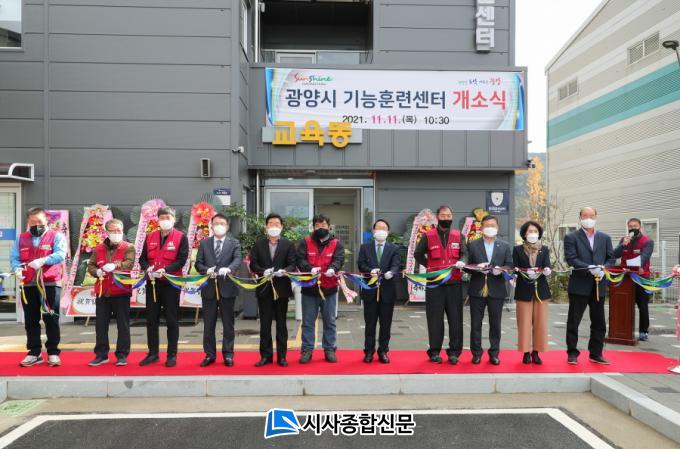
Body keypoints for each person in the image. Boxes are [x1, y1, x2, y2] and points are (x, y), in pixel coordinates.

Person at [11, 207, 67, 367]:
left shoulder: (56, 236)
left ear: (46, 221)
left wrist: (43, 260)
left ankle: (53, 352)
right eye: (33, 222)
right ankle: (34, 352)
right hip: (28, 284)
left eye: (40, 221)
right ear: (28, 222)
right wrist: (17, 269)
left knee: (51, 318)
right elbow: (15, 258)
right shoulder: (21, 238)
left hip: (49, 283)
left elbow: (60, 254)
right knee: (30, 320)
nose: (36, 225)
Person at [414, 205, 468, 364]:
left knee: (456, 319)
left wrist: (462, 261)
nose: (446, 218)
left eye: (449, 215)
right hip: (435, 284)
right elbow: (418, 254)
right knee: (434, 319)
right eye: (443, 215)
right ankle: (434, 351)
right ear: (437, 217)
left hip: (454, 282)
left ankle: (454, 352)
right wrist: (429, 265)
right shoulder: (428, 235)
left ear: (452, 217)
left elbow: (465, 253)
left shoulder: (458, 235)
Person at [138, 207, 189, 367]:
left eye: (168, 217)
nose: (165, 220)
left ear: (174, 219)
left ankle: (172, 354)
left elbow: (182, 260)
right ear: (158, 220)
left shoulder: (181, 237)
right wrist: (147, 268)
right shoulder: (150, 237)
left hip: (171, 284)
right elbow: (142, 259)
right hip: (153, 283)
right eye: (162, 218)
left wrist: (165, 270)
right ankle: (153, 353)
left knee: (172, 320)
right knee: (151, 320)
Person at [564, 207, 615, 365]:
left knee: (599, 322)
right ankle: (572, 353)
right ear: (580, 217)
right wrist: (588, 268)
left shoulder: (605, 238)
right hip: (580, 284)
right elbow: (571, 258)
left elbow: (611, 258)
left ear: (596, 217)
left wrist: (604, 268)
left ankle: (596, 353)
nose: (588, 219)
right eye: (585, 216)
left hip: (599, 285)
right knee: (574, 321)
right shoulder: (571, 237)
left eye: (591, 216)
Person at [248, 213, 296, 367]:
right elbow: (253, 264)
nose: (274, 226)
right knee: (265, 324)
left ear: (281, 227)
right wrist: (263, 271)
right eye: (271, 223)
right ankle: (265, 356)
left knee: (281, 324)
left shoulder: (288, 244)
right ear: (266, 226)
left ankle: (282, 356)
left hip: (282, 289)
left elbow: (293, 264)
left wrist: (284, 271)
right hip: (264, 289)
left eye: (277, 224)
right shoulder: (259, 244)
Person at [86, 219, 136, 367]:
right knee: (101, 325)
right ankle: (101, 354)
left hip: (121, 291)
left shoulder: (128, 247)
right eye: (113, 231)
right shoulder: (99, 248)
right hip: (103, 291)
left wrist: (115, 265)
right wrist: (97, 271)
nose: (116, 233)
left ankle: (122, 354)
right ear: (107, 232)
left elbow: (129, 263)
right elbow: (91, 265)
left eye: (119, 231)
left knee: (123, 325)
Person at [296, 214, 345, 364]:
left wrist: (333, 268)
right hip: (309, 289)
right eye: (317, 225)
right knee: (307, 322)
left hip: (329, 289)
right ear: (313, 227)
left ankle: (329, 349)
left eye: (323, 225)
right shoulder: (305, 242)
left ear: (329, 227)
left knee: (330, 321)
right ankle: (307, 349)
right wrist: (309, 268)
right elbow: (300, 259)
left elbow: (339, 259)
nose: (320, 228)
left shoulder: (336, 244)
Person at [195, 213, 242, 367]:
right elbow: (198, 263)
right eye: (216, 223)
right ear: (211, 225)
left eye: (222, 223)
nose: (219, 226)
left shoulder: (234, 243)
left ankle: (228, 354)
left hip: (227, 287)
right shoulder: (204, 243)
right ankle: (209, 355)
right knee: (208, 324)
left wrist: (229, 269)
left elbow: (237, 260)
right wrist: (206, 270)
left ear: (227, 226)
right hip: (209, 288)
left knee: (228, 324)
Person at [466, 215, 512, 365]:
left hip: (497, 289)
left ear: (497, 228)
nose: (490, 228)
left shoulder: (504, 245)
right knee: (475, 324)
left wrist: (501, 270)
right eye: (487, 225)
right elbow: (467, 266)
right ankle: (476, 353)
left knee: (495, 324)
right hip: (477, 289)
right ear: (481, 228)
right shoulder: (473, 245)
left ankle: (494, 353)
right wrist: (477, 268)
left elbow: (510, 265)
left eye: (493, 225)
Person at [357, 219, 401, 364]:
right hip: (370, 291)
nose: (381, 230)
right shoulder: (365, 247)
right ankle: (369, 351)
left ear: (388, 231)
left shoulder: (393, 248)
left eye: (384, 228)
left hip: (387, 291)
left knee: (385, 324)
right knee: (370, 324)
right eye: (378, 228)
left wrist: (391, 272)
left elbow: (397, 264)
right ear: (373, 231)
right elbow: (360, 264)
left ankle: (383, 351)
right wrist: (370, 270)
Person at [513, 221, 552, 365]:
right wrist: (522, 272)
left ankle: (536, 352)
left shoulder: (544, 249)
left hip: (541, 290)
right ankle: (525, 352)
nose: (533, 234)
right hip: (523, 290)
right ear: (524, 234)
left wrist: (547, 270)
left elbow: (547, 265)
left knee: (540, 323)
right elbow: (514, 268)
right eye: (530, 231)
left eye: (535, 231)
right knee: (524, 323)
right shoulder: (517, 249)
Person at [613, 218, 654, 341]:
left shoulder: (647, 241)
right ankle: (622, 330)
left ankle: (643, 331)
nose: (632, 228)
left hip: (641, 277)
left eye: (635, 226)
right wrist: (622, 245)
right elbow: (615, 255)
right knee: (623, 304)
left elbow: (644, 257)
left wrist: (634, 265)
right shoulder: (624, 240)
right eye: (630, 226)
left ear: (640, 227)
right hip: (625, 278)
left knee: (642, 305)